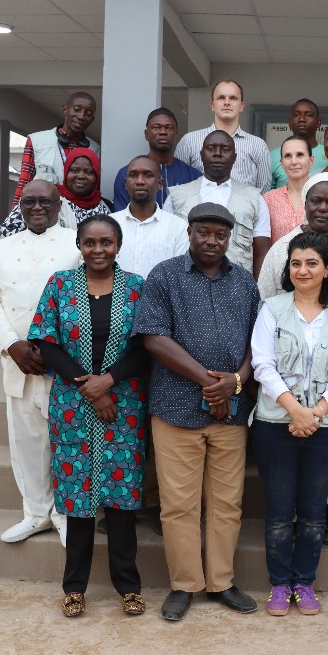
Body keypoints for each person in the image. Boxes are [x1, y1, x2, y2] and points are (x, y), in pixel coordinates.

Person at [136, 202, 261, 622]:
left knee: (227, 503)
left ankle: (221, 582)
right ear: (189, 232)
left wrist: (236, 382)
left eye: (220, 235)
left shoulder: (244, 282)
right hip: (175, 409)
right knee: (178, 505)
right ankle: (184, 584)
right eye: (204, 233)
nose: (212, 241)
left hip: (230, 413)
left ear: (230, 239)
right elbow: (153, 338)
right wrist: (212, 383)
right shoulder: (164, 276)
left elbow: (255, 345)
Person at [27, 215, 149, 618]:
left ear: (118, 245)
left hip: (123, 407)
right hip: (73, 407)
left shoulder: (136, 287)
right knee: (77, 499)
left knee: (121, 500)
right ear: (79, 245)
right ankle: (74, 587)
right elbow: (46, 342)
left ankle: (128, 586)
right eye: (90, 243)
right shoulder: (60, 285)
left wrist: (108, 381)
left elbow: (146, 346)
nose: (98, 250)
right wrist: (90, 388)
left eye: (107, 242)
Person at [251, 233, 328, 616]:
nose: (303, 270)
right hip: (276, 423)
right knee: (280, 511)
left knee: (313, 512)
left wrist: (316, 413)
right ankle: (279, 585)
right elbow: (262, 364)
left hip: (325, 428)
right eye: (296, 263)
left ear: (327, 269)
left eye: (312, 263)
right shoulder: (272, 309)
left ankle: (305, 584)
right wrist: (296, 410)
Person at [257, 173, 328, 544]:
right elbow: (267, 296)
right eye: (316, 201)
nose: (323, 207)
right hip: (287, 361)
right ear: (304, 203)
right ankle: (290, 512)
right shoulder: (282, 248)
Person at [0, 180, 80, 546]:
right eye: (30, 202)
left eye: (46, 202)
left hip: (64, 362)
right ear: (20, 207)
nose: (38, 208)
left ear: (58, 205)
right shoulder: (0, 248)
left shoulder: (76, 241)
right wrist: (12, 345)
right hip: (17, 362)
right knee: (26, 443)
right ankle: (36, 514)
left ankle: (67, 513)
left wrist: (54, 351)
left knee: (66, 441)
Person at [110, 156, 190, 535]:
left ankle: (156, 502)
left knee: (157, 419)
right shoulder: (109, 226)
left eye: (148, 175)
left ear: (161, 182)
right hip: (113, 337)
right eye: (134, 175)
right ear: (125, 182)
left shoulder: (177, 228)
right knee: (119, 420)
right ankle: (113, 503)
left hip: (162, 337)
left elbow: (177, 281)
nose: (140, 180)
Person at [164, 130, 271, 277]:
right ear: (201, 155)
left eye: (225, 149)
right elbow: (166, 247)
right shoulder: (176, 197)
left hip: (237, 289)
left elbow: (261, 253)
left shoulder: (255, 199)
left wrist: (258, 292)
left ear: (234, 157)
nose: (218, 154)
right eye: (211, 148)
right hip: (185, 286)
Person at [175, 79, 271, 191]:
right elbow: (179, 188)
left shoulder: (258, 145)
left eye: (233, 98)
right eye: (221, 97)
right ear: (212, 105)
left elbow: (263, 193)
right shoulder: (189, 141)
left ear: (241, 106)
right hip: (198, 208)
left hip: (243, 208)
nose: (227, 102)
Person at [11, 91, 99, 210]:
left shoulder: (94, 149)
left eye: (88, 114)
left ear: (92, 119)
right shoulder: (37, 141)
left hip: (78, 216)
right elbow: (24, 185)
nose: (81, 116)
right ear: (65, 109)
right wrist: (15, 217)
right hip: (43, 215)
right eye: (77, 109)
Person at [0, 148, 109, 238]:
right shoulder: (46, 198)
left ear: (97, 176)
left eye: (89, 172)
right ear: (66, 173)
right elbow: (6, 232)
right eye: (74, 170)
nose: (81, 176)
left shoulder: (106, 209)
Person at [112, 108, 202, 212]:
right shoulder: (126, 174)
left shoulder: (193, 175)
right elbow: (121, 217)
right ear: (146, 134)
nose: (163, 132)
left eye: (169, 128)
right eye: (156, 127)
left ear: (176, 134)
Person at [270, 99, 327, 188]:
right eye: (296, 115)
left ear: (318, 123)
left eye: (308, 115)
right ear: (289, 122)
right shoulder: (273, 156)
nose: (302, 119)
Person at [264, 136, 311, 243]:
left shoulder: (321, 198)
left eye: (300, 155)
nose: (294, 161)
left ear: (311, 160)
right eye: (288, 156)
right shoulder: (269, 199)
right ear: (281, 163)